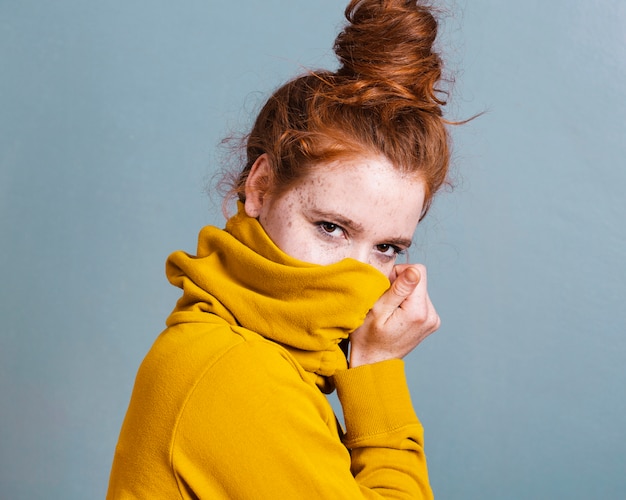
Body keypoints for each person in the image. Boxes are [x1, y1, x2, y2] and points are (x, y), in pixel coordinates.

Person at [107, 0, 457, 497]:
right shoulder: (238, 372)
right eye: (331, 228)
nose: (353, 277)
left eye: (385, 247)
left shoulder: (268, 357)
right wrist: (377, 372)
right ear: (261, 187)